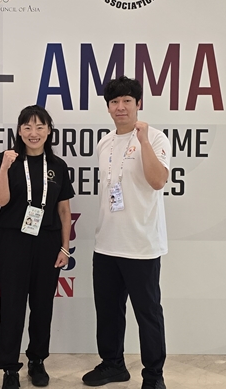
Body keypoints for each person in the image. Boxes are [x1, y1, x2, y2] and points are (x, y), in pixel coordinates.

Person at [82, 76, 170, 389]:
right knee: (108, 311)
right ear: (108, 107)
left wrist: (143, 141)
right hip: (107, 244)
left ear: (138, 104)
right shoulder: (104, 143)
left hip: (141, 245)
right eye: (115, 102)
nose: (121, 107)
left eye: (127, 101)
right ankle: (112, 365)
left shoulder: (156, 139)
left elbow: (157, 181)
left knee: (148, 314)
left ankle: (153, 376)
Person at [0, 105, 75, 389]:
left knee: (42, 305)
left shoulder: (58, 166)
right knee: (11, 306)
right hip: (14, 240)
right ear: (19, 131)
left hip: (47, 241)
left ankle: (37, 360)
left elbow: (64, 211)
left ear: (49, 131)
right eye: (27, 127)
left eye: (40, 127)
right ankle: (9, 368)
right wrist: (4, 167)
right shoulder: (8, 160)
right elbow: (0, 201)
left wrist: (65, 247)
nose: (33, 133)